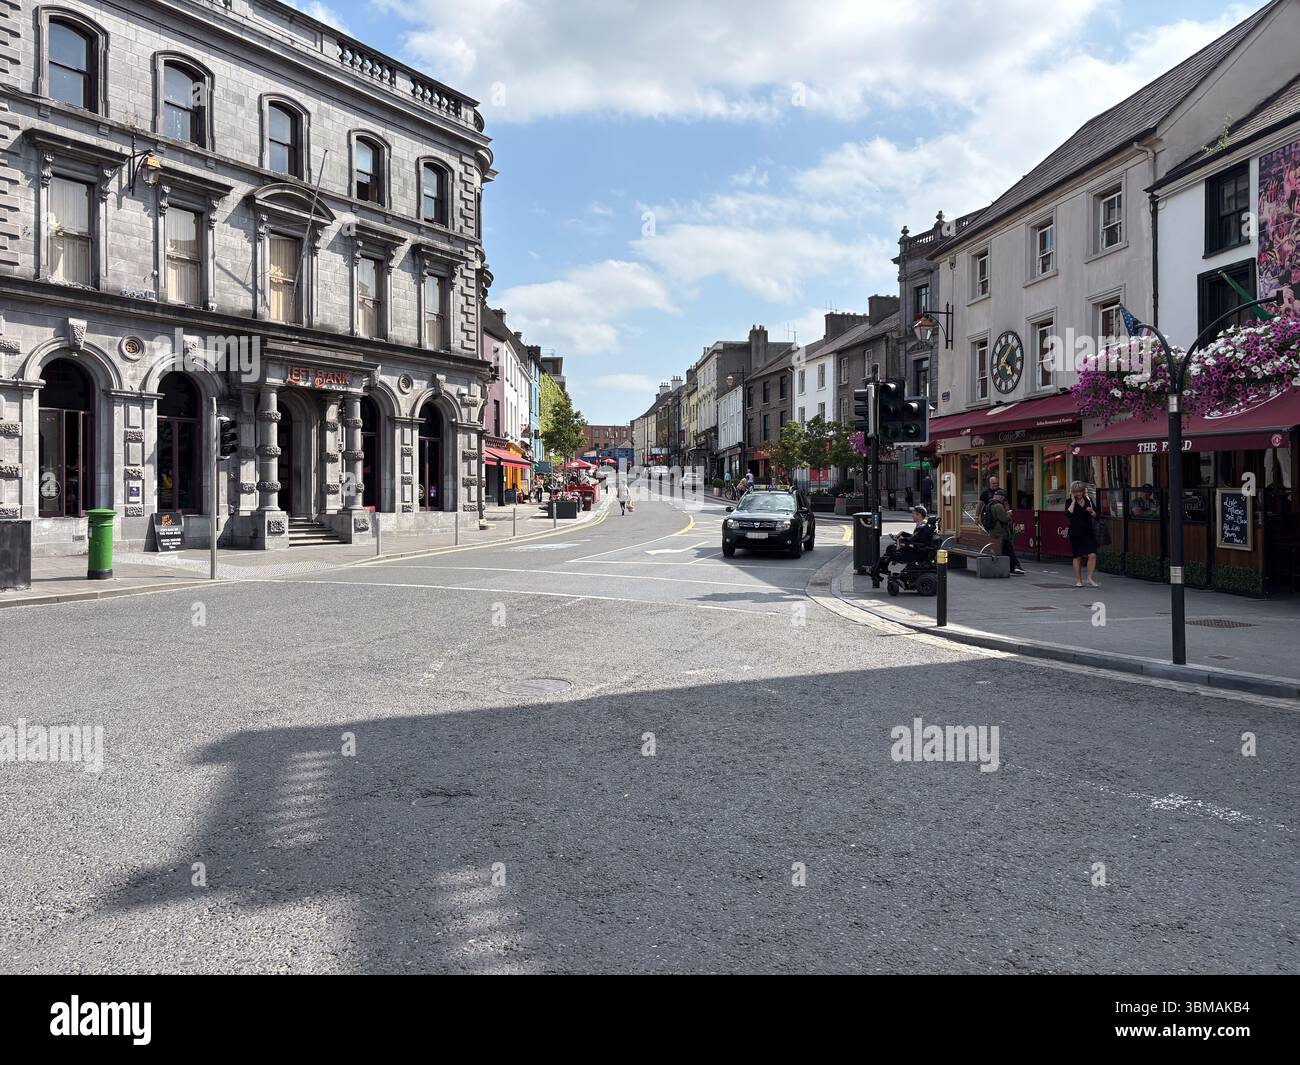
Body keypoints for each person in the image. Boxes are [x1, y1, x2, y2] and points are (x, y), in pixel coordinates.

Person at [872, 506, 935, 579]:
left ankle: (876, 571)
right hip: (919, 550)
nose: (912, 515)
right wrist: (903, 533)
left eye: (914, 514)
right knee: (890, 548)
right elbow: (916, 537)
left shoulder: (922, 527)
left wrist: (901, 539)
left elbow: (913, 539)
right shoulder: (923, 525)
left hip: (917, 553)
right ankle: (881, 569)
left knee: (890, 549)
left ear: (919, 515)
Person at [1065, 480, 1100, 587]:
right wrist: (1073, 502)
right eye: (1076, 492)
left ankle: (1089, 578)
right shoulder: (1069, 501)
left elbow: (1097, 516)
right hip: (1075, 532)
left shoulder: (1088, 500)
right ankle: (1079, 580)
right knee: (1077, 556)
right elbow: (1068, 514)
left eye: (1080, 491)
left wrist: (1091, 512)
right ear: (1072, 492)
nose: (1078, 494)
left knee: (1092, 555)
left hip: (1088, 532)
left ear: (1083, 491)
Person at [988, 489, 1025, 574]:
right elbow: (1004, 519)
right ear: (1001, 498)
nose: (1004, 501)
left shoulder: (989, 505)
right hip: (1000, 533)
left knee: (1006, 549)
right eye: (1003, 499)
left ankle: (1014, 566)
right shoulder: (998, 506)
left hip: (993, 533)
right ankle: (1015, 567)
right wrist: (1009, 513)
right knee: (1009, 549)